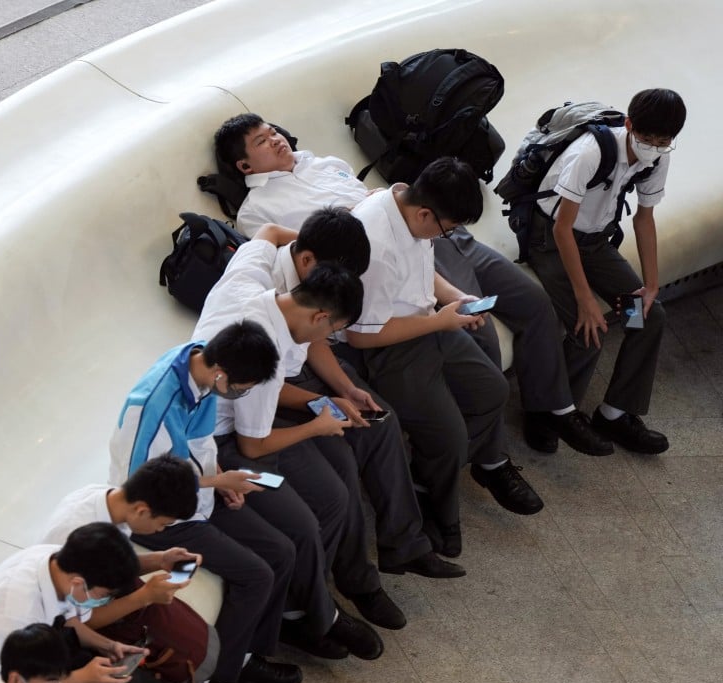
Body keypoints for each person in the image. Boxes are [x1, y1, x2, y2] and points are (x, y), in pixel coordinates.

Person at [218, 112, 611, 457]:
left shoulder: (324, 163)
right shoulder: (257, 209)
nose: (275, 139)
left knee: (533, 303)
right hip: (385, 251)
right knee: (480, 333)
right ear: (245, 165)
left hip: (433, 233)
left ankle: (555, 409)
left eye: (273, 131)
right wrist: (356, 220)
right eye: (261, 141)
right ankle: (492, 457)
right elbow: (305, 252)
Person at [191, 227, 405, 648]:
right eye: (330, 331)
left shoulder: (248, 278)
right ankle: (309, 613)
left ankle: (315, 600)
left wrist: (326, 401)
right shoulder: (264, 351)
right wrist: (316, 425)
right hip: (222, 442)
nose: (323, 342)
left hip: (240, 420)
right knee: (317, 511)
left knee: (338, 481)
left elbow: (267, 234)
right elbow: (253, 445)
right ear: (320, 317)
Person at [235, 210, 465, 580]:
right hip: (273, 386)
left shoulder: (306, 275)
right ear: (307, 261)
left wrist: (347, 388)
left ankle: (404, 545)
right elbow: (265, 388)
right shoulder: (263, 296)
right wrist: (320, 404)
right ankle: (355, 576)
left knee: (381, 422)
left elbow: (314, 339)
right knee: (341, 463)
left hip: (305, 364)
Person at [344, 157, 543, 558]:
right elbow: (361, 336)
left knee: (492, 391)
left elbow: (421, 268)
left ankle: (426, 475)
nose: (445, 235)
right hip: (389, 348)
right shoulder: (374, 244)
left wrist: (456, 297)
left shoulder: (405, 202)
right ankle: (438, 507)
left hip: (427, 324)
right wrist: (438, 322)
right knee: (449, 436)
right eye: (446, 229)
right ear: (425, 213)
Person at [108, 321, 313, 683]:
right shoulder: (155, 408)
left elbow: (198, 442)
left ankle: (250, 648)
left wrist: (219, 477)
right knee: (257, 575)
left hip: (198, 492)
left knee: (283, 550)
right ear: (221, 373)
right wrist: (216, 483)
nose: (240, 394)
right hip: (163, 517)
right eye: (241, 388)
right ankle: (225, 672)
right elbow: (145, 488)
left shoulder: (200, 363)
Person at [522, 89, 686, 454]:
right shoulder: (590, 152)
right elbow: (562, 229)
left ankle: (614, 414)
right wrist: (585, 300)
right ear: (629, 125)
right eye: (647, 138)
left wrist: (651, 285)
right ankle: (548, 412)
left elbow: (644, 219)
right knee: (588, 327)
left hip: (595, 244)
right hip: (551, 242)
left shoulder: (657, 158)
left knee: (647, 317)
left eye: (663, 142)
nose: (654, 148)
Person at [40, 455, 225, 683]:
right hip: (70, 633)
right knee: (177, 659)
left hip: (100, 607)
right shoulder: (72, 538)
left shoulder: (111, 503)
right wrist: (143, 597)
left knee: (189, 639)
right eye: (162, 524)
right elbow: (75, 622)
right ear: (142, 510)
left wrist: (160, 560)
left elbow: (115, 566)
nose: (160, 531)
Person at [0, 522, 168, 683]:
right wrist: (81, 678)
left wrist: (108, 645)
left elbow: (66, 619)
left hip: (41, 653)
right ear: (78, 582)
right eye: (103, 596)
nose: (104, 601)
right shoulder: (13, 613)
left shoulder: (57, 563)